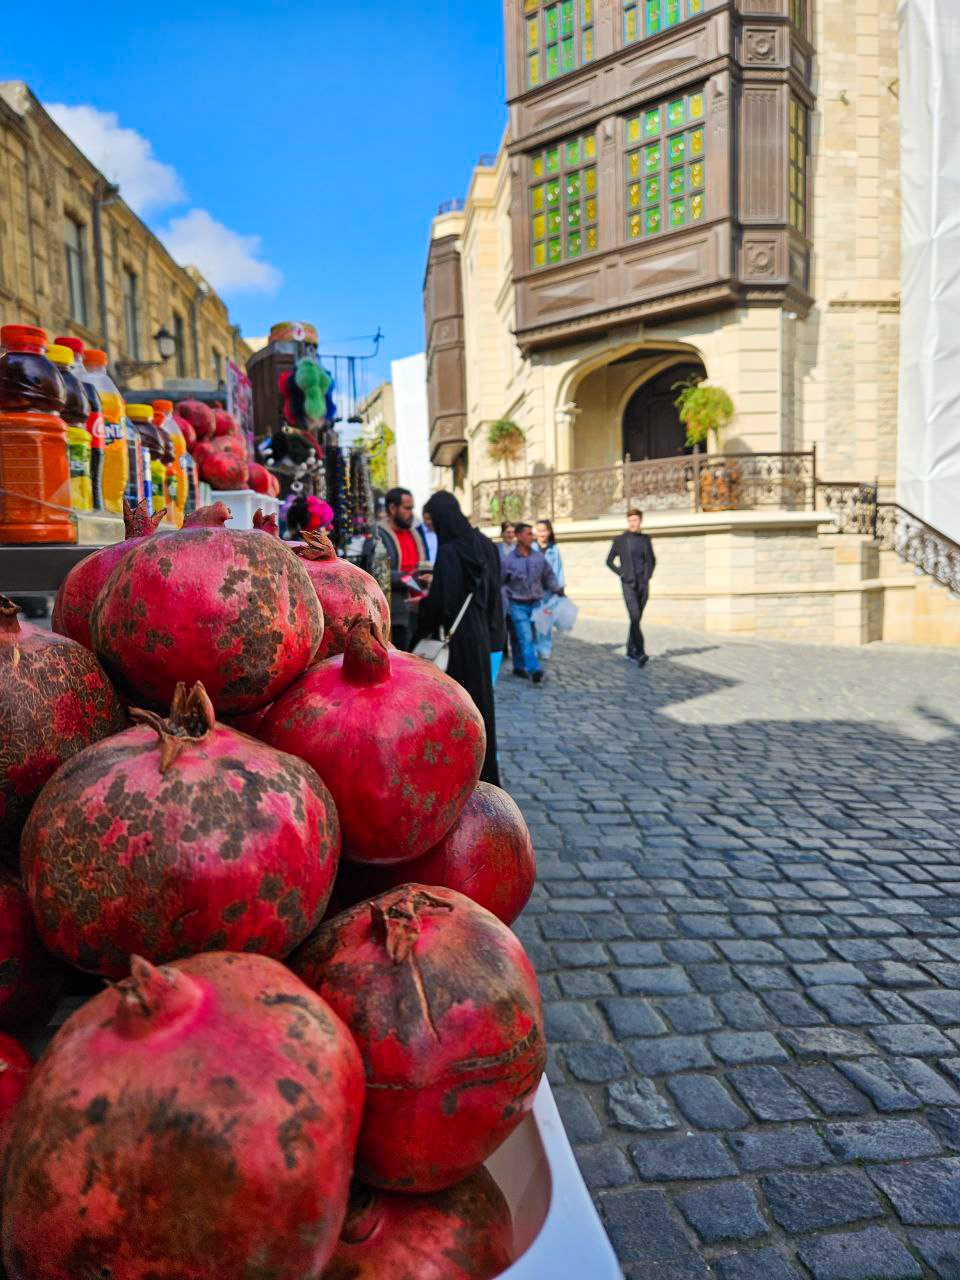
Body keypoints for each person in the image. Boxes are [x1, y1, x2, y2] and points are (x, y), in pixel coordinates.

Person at [416, 492, 504, 786]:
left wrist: (421, 608)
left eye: (432, 523)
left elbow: (443, 603)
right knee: (481, 708)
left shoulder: (450, 550)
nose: (432, 528)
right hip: (479, 634)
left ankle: (463, 775)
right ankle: (486, 774)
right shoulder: (483, 543)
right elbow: (490, 593)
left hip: (458, 640)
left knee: (461, 709)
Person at [502, 523, 560, 684]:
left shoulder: (538, 557)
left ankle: (519, 666)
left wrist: (557, 589)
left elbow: (548, 576)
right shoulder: (509, 560)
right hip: (517, 604)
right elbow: (501, 582)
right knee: (525, 636)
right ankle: (534, 669)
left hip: (536, 604)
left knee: (530, 636)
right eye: (528, 534)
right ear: (518, 536)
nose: (532, 537)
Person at [376, 487, 429, 651]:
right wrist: (408, 577)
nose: (411, 513)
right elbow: (379, 572)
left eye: (412, 508)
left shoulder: (414, 534)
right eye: (407, 508)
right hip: (397, 612)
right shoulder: (379, 535)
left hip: (419, 609)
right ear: (392, 508)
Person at [606, 508, 657, 667]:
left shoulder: (645, 539)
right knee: (634, 616)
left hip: (643, 584)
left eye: (635, 520)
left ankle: (630, 651)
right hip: (628, 584)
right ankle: (640, 652)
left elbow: (652, 560)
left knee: (636, 619)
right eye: (630, 521)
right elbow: (609, 561)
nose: (632, 523)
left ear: (640, 521)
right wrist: (622, 573)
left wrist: (647, 576)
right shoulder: (620, 540)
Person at [534, 519, 565, 662]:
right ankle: (534, 648)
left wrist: (559, 588)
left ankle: (545, 648)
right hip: (533, 592)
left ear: (549, 532)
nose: (542, 534)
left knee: (546, 621)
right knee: (534, 621)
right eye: (539, 531)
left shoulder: (554, 550)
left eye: (544, 531)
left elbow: (559, 570)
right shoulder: (531, 548)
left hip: (549, 593)